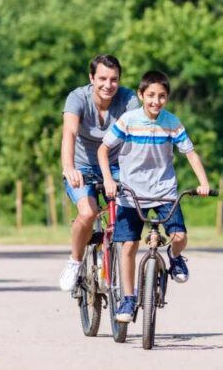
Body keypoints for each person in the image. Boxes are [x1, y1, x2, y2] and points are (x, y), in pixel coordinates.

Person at [98, 70, 211, 322]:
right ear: (140, 95)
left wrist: (203, 182)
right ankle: (128, 299)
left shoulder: (172, 122)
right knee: (128, 246)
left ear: (167, 98)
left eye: (161, 96)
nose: (155, 101)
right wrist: (108, 179)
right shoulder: (128, 120)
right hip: (131, 193)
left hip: (164, 193)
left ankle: (174, 257)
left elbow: (190, 153)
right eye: (150, 95)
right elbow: (103, 149)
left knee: (179, 236)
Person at [59, 55, 139, 292]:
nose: (108, 85)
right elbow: (69, 134)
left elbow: (139, 132)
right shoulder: (77, 98)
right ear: (91, 78)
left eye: (114, 79)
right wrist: (69, 167)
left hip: (116, 167)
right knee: (88, 212)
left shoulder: (128, 100)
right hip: (82, 167)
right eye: (102, 78)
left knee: (130, 214)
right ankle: (74, 261)